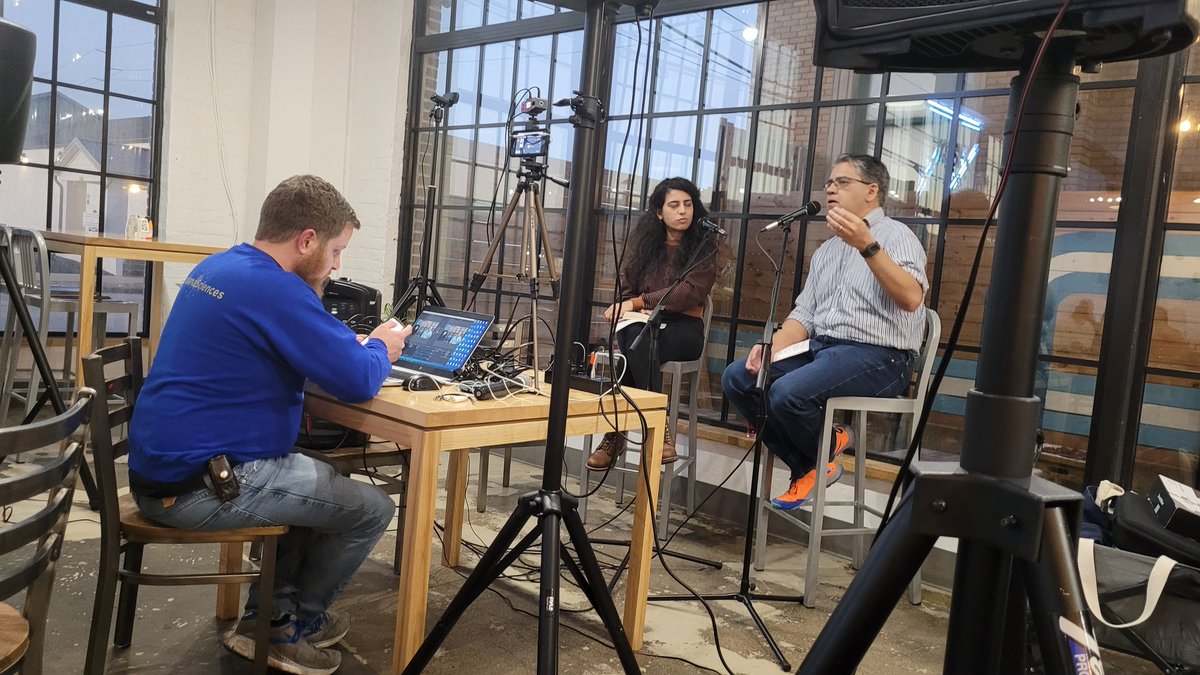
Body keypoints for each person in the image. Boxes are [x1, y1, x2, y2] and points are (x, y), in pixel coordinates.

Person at [127, 175, 412, 675]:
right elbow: (358, 378)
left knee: (319, 479)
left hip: (167, 470)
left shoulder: (222, 266)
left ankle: (272, 616)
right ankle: (289, 629)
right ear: (306, 240)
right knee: (371, 508)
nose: (337, 265)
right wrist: (382, 346)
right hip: (199, 485)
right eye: (336, 251)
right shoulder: (277, 289)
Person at [722, 154, 928, 510]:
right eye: (830, 182)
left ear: (872, 191)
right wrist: (771, 347)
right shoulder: (828, 250)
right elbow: (804, 315)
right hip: (823, 350)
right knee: (739, 378)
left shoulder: (897, 236)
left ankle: (817, 455)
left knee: (788, 392)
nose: (831, 188)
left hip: (882, 358)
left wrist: (867, 245)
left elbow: (912, 298)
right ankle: (813, 463)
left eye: (843, 182)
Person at [586, 177, 720, 470]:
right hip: (644, 326)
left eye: (688, 204)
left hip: (683, 329)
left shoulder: (704, 247)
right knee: (638, 338)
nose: (683, 211)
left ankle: (618, 432)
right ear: (659, 212)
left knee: (639, 345)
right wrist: (635, 306)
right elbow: (626, 287)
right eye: (674, 205)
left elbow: (689, 292)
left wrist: (637, 303)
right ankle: (657, 429)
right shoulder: (644, 246)